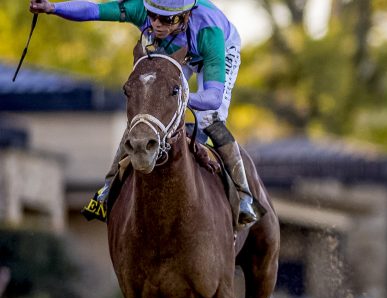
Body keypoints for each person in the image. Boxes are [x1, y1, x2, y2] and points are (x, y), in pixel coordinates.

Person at [29, 0, 258, 226]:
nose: (156, 24)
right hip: (176, 49)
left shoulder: (210, 31)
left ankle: (244, 194)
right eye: (153, 15)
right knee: (146, 113)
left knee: (209, 118)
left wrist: (179, 97)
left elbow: (213, 98)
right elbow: (94, 10)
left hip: (217, 50)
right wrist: (53, 8)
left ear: (186, 16)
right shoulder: (141, 9)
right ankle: (107, 187)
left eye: (166, 19)